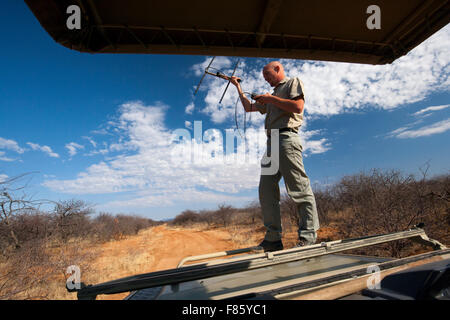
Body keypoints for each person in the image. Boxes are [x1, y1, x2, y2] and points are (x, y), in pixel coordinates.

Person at [230, 61, 320, 252]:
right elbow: (248, 108)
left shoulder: (292, 83)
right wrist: (238, 87)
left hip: (287, 139)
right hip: (271, 144)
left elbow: (297, 106)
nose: (266, 79)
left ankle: (308, 236)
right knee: (266, 190)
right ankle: (273, 239)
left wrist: (270, 99)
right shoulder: (270, 97)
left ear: (277, 69)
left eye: (268, 75)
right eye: (264, 78)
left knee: (299, 188)